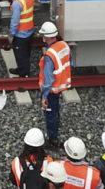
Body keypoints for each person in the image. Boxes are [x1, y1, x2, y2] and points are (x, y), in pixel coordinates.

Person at [38, 21, 71, 149]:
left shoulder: (49, 55)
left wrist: (44, 96)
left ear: (46, 37)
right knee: (55, 109)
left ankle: (53, 139)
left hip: (51, 90)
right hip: (60, 86)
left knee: (50, 113)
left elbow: (48, 79)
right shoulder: (64, 45)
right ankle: (56, 125)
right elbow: (69, 62)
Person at [8, 0, 34, 77]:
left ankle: (24, 74)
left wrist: (11, 35)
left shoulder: (17, 2)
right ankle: (21, 68)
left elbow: (15, 21)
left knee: (21, 55)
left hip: (20, 34)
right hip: (30, 31)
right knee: (26, 54)